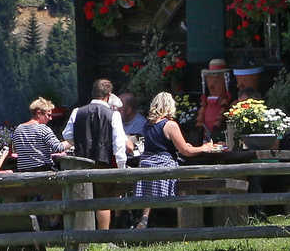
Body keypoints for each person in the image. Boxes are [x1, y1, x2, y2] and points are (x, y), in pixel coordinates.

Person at [134, 92, 217, 229]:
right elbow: (186, 151)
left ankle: (145, 219)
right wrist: (205, 147)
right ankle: (185, 220)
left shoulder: (147, 125)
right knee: (189, 178)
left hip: (146, 165)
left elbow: (161, 144)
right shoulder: (170, 125)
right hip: (163, 166)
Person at [67, 79, 130, 232]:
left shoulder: (77, 112)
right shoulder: (113, 114)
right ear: (108, 95)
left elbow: (67, 135)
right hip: (104, 162)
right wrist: (121, 167)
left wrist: (80, 141)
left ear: (93, 93)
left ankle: (82, 234)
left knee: (83, 198)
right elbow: (119, 143)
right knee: (104, 200)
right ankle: (103, 237)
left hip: (81, 162)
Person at [8, 98, 68, 172]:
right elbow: (58, 147)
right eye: (48, 115)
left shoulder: (18, 129)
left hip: (24, 173)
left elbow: (32, 149)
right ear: (39, 113)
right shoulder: (43, 128)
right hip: (42, 172)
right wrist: (71, 141)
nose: (50, 118)